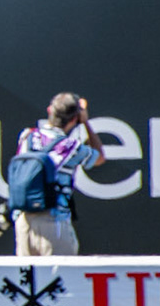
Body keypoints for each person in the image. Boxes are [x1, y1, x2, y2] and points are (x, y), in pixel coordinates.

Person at [12, 92, 106, 256]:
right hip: (53, 221)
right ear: (74, 119)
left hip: (23, 221)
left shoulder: (27, 136)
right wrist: (86, 123)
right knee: (61, 280)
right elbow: (99, 157)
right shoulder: (71, 147)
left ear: (50, 110)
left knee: (28, 280)